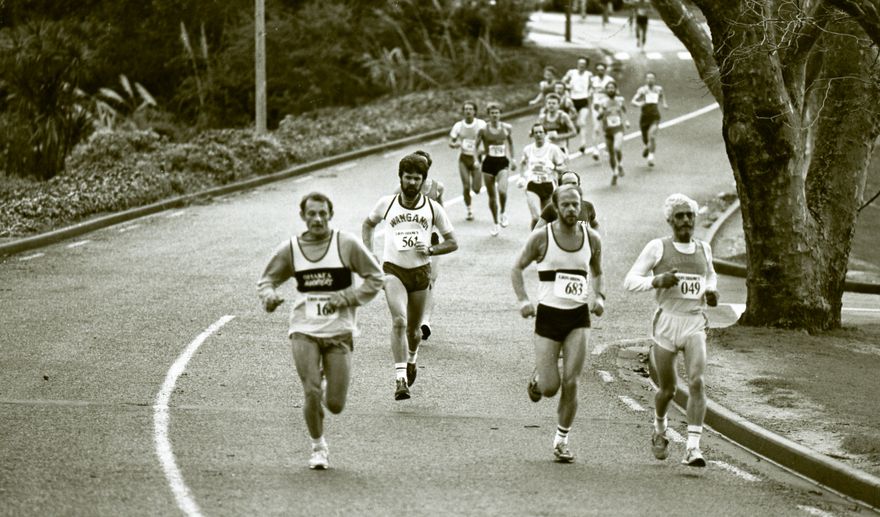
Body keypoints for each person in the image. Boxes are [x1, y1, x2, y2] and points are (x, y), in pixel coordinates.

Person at [257, 192, 384, 470]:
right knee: (311, 390)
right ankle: (318, 447)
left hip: (339, 331)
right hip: (304, 328)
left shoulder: (346, 244)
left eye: (322, 213)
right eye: (311, 214)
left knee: (335, 404)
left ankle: (326, 385)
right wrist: (269, 297)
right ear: (303, 216)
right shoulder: (291, 249)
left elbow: (376, 277)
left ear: (330, 215)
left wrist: (349, 297)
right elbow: (267, 281)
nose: (317, 219)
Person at [623, 193, 720, 467]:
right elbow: (630, 281)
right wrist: (656, 281)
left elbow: (710, 275)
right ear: (670, 221)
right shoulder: (658, 247)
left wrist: (711, 291)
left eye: (690, 215)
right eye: (680, 216)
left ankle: (693, 448)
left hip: (694, 322)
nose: (686, 220)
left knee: (697, 381)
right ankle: (660, 427)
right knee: (667, 389)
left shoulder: (704, 248)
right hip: (666, 322)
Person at [511, 184, 605, 463]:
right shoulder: (541, 237)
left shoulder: (592, 238)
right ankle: (539, 380)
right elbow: (517, 268)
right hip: (548, 317)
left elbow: (598, 272)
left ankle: (561, 441)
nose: (571, 209)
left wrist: (599, 296)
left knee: (571, 381)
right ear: (556, 207)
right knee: (550, 388)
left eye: (575, 204)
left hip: (578, 318)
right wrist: (523, 300)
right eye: (565, 204)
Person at [363, 153, 458, 400]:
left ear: (423, 180)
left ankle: (412, 358)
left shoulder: (433, 208)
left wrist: (431, 249)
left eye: (417, 179)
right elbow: (368, 224)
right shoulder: (387, 203)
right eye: (408, 177)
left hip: (420, 272)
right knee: (399, 321)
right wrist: (370, 254)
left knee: (414, 331)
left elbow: (452, 242)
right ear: (401, 178)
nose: (412, 183)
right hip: (392, 270)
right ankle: (400, 379)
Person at [396, 150, 445, 341]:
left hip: (431, 239)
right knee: (408, 281)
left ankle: (425, 321)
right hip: (408, 239)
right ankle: (410, 318)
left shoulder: (437, 188)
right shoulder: (400, 189)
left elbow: (442, 213)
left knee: (430, 281)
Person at [476, 102, 516, 236]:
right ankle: (495, 223)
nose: (495, 115)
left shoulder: (507, 128)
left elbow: (511, 143)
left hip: (502, 162)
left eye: (497, 113)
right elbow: (476, 146)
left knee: (502, 191)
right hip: (488, 164)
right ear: (489, 115)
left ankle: (503, 212)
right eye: (492, 113)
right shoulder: (483, 130)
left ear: (500, 114)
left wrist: (513, 159)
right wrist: (477, 160)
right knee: (492, 196)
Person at [519, 123, 567, 229]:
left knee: (548, 220)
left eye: (541, 132)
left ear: (545, 134)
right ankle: (533, 238)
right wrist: (521, 177)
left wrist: (554, 167)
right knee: (536, 217)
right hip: (532, 185)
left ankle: (542, 237)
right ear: (532, 135)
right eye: (536, 132)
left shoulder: (553, 149)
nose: (538, 135)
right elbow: (522, 163)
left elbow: (563, 168)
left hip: (548, 186)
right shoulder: (528, 149)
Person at [449, 101, 487, 221]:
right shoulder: (458, 126)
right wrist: (455, 144)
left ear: (475, 111)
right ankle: (469, 210)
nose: (468, 111)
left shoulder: (481, 124)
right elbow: (451, 142)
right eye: (466, 109)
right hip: (464, 158)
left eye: (470, 109)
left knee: (476, 189)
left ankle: (477, 184)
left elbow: (488, 139)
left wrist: (484, 150)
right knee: (466, 186)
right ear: (463, 111)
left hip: (477, 159)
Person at [595, 81, 630, 186]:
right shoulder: (602, 102)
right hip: (607, 129)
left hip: (618, 128)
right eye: (608, 88)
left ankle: (620, 164)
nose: (610, 90)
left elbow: (624, 111)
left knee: (617, 148)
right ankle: (614, 172)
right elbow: (599, 117)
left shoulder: (620, 100)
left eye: (612, 88)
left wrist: (627, 121)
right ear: (606, 90)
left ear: (615, 89)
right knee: (611, 153)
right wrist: (602, 112)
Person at [631, 72, 668, 167]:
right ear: (645, 80)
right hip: (644, 117)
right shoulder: (642, 90)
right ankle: (647, 146)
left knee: (652, 136)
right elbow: (633, 101)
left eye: (652, 78)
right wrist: (639, 104)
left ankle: (651, 157)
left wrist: (664, 103)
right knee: (645, 138)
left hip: (655, 116)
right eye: (648, 78)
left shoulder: (658, 89)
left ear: (655, 79)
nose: (650, 80)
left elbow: (662, 96)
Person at [561, 57, 593, 155]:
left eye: (583, 64)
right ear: (577, 64)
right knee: (571, 123)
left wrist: (590, 93)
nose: (581, 66)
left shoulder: (589, 75)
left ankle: (583, 144)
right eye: (579, 64)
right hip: (572, 100)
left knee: (582, 122)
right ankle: (566, 143)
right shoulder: (571, 73)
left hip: (583, 100)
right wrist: (567, 87)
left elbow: (592, 86)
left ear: (586, 66)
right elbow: (562, 82)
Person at [588, 63, 615, 162]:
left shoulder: (610, 80)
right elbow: (589, 93)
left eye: (602, 69)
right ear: (596, 71)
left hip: (607, 106)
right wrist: (591, 101)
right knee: (596, 128)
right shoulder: (592, 80)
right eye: (598, 69)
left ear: (605, 70)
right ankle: (595, 150)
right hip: (596, 106)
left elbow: (615, 92)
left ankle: (607, 148)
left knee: (608, 128)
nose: (600, 71)